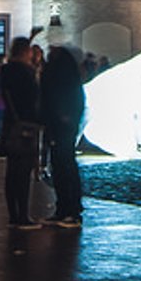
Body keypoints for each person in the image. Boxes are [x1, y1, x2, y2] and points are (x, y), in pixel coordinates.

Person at [0, 37, 43, 229]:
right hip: (25, 126)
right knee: (23, 172)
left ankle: (13, 215)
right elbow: (34, 100)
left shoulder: (6, 70)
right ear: (25, 52)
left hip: (10, 125)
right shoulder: (25, 73)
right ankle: (23, 216)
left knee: (11, 172)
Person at [40, 46, 85, 227]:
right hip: (61, 127)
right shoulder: (69, 78)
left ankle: (70, 210)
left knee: (64, 166)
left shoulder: (61, 78)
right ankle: (64, 208)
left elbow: (53, 98)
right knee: (60, 167)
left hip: (61, 127)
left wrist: (61, 118)